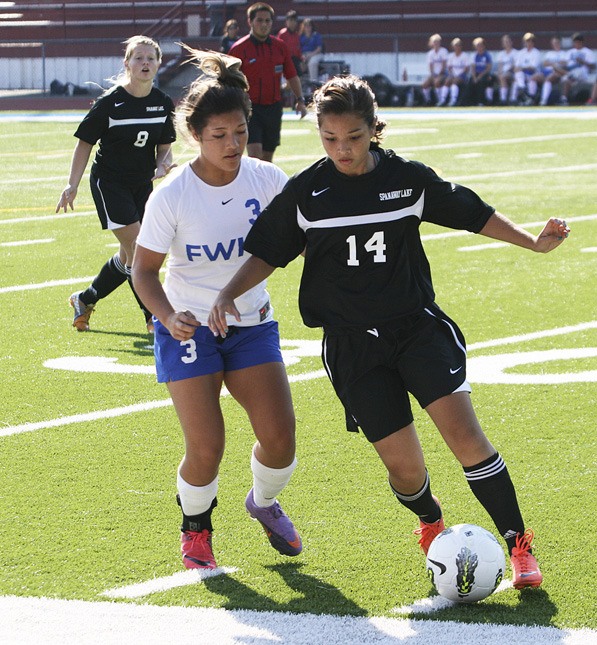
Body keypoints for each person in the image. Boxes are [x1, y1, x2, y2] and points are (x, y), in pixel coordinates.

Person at [209, 74, 572, 589]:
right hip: (353, 345)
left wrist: (531, 243)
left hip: (416, 329)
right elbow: (268, 251)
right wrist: (226, 294)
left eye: (353, 138)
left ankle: (518, 546)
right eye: (330, 139)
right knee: (405, 471)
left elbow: (472, 213)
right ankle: (431, 523)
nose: (342, 150)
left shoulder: (407, 178)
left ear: (372, 129)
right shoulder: (307, 192)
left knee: (466, 438)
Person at [131, 48, 301, 571]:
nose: (232, 145)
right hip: (187, 330)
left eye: (240, 133)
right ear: (194, 137)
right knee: (208, 446)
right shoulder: (172, 196)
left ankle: (264, 503)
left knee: (280, 441)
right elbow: (142, 272)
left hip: (251, 324)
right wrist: (167, 316)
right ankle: (196, 530)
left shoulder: (269, 181)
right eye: (218, 136)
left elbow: (304, 237)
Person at [56, 35, 176, 333]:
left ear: (159, 64)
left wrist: (163, 163)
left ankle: (85, 299)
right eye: (139, 58)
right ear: (127, 63)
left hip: (142, 186)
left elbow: (165, 145)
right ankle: (154, 318)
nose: (145, 63)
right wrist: (72, 185)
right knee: (140, 250)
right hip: (110, 184)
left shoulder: (161, 102)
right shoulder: (111, 102)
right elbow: (84, 143)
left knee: (128, 257)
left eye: (151, 58)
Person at [228, 2, 307, 162]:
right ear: (250, 22)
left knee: (267, 158)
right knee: (255, 155)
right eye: (260, 20)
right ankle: (253, 187)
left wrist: (300, 100)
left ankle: (267, 187)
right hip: (250, 109)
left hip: (274, 108)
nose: (264, 24)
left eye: (267, 21)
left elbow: (291, 75)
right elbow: (228, 82)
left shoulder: (280, 47)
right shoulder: (238, 49)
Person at [559, 33, 597, 105]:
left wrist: (583, 62)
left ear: (581, 42)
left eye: (577, 41)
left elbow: (593, 66)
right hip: (571, 71)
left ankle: (568, 76)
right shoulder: (570, 52)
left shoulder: (588, 52)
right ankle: (564, 99)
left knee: (570, 76)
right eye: (575, 42)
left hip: (583, 72)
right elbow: (565, 62)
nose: (576, 43)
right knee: (566, 78)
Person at [511, 32, 541, 105]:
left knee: (531, 81)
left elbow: (532, 68)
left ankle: (529, 97)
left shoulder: (536, 53)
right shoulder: (521, 53)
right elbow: (516, 68)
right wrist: (521, 69)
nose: (528, 43)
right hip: (522, 76)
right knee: (517, 78)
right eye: (527, 41)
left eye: (530, 41)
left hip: (532, 75)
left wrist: (522, 68)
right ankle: (517, 96)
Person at [538, 36, 568, 106]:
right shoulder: (549, 53)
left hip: (558, 73)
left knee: (549, 78)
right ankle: (530, 97)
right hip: (546, 72)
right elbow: (544, 63)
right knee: (534, 77)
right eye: (554, 43)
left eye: (557, 43)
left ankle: (544, 100)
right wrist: (554, 64)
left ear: (560, 43)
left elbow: (565, 63)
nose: (555, 45)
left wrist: (552, 64)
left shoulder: (564, 53)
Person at [440, 37, 470, 107]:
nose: (457, 47)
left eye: (459, 45)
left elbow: (467, 69)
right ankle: (442, 100)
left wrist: (459, 75)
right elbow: (449, 68)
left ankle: (453, 100)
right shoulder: (451, 56)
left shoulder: (465, 56)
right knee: (447, 81)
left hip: (462, 76)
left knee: (455, 82)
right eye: (455, 45)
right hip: (453, 75)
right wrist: (452, 74)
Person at [421, 34, 448, 106]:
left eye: (437, 42)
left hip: (443, 74)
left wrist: (439, 74)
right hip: (434, 74)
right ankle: (428, 100)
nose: (436, 43)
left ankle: (440, 101)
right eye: (434, 42)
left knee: (437, 82)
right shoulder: (430, 53)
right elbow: (430, 66)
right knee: (424, 84)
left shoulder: (443, 51)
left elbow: (444, 65)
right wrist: (433, 74)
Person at [277, 9, 303, 76]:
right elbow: (278, 49)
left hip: (295, 60)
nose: (292, 23)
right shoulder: (282, 34)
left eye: (294, 20)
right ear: (286, 22)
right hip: (285, 60)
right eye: (290, 20)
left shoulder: (296, 35)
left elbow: (298, 49)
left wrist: (301, 59)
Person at [470, 37, 494, 106]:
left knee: (482, 81)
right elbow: (473, 67)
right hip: (476, 74)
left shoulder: (487, 55)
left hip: (485, 74)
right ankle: (470, 101)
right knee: (470, 81)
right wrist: (474, 77)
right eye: (477, 46)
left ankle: (482, 101)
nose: (479, 47)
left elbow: (488, 68)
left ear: (483, 46)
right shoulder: (474, 55)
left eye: (480, 45)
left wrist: (480, 76)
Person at [300, 18, 324, 84]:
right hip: (304, 55)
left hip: (316, 54)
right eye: (306, 26)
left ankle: (313, 84)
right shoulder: (301, 37)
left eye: (309, 26)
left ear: (312, 27)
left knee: (312, 63)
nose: (308, 28)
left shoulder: (316, 36)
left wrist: (310, 55)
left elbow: (319, 49)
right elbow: (298, 48)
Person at [496, 34, 517, 105]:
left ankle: (503, 99)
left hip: (512, 73)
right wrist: (499, 73)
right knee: (497, 77)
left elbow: (515, 65)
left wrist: (506, 72)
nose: (507, 43)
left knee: (503, 77)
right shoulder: (501, 54)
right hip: (503, 73)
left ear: (511, 42)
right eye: (505, 42)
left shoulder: (515, 53)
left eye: (508, 41)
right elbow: (500, 66)